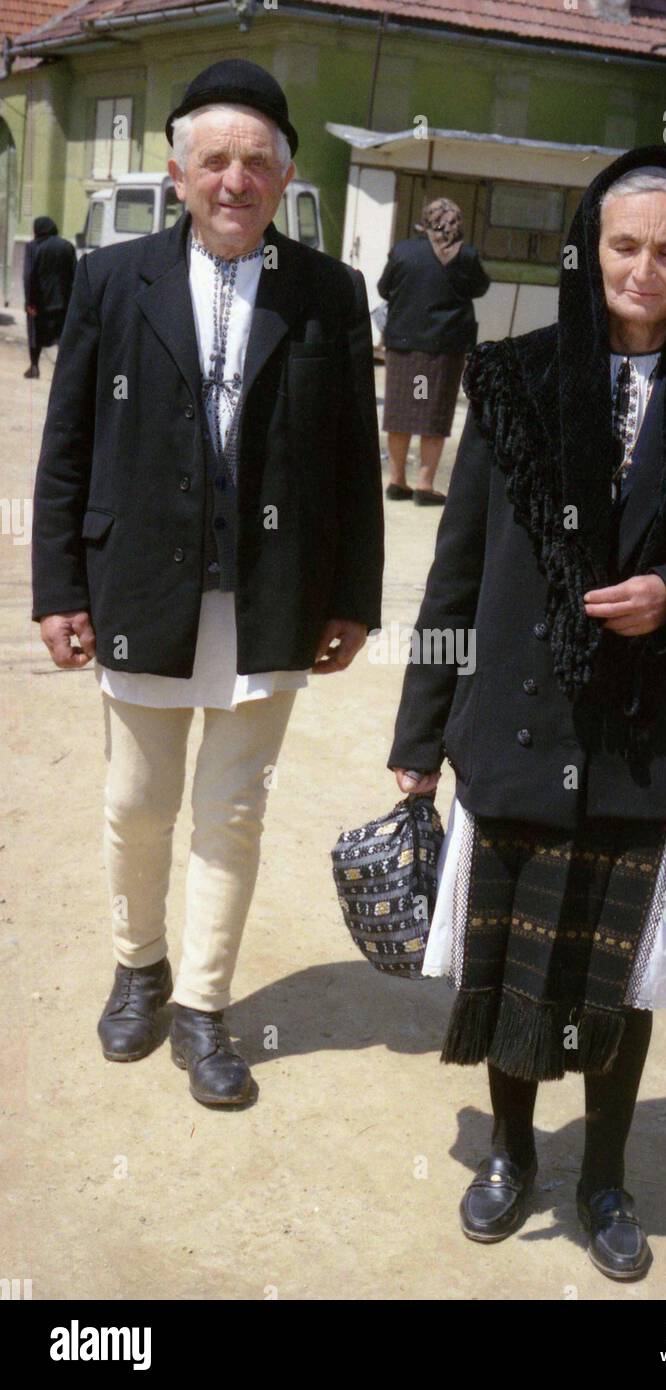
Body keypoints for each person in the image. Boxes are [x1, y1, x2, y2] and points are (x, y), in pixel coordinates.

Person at [387, 146, 666, 1281]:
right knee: (511, 960)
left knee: (618, 971)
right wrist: (415, 740)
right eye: (622, 245)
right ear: (589, 251)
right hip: (520, 724)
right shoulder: (514, 377)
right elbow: (456, 568)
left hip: (652, 728)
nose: (641, 268)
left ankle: (603, 1175)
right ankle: (511, 1154)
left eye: (665, 250)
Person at [31, 59, 384, 1109]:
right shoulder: (112, 279)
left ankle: (203, 1008)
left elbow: (354, 461)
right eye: (214, 161)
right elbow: (67, 445)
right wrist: (59, 586)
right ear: (178, 175)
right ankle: (138, 968)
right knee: (138, 804)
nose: (235, 181)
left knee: (230, 815)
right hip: (139, 581)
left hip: (269, 594)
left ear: (283, 179)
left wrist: (353, 597)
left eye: (257, 163)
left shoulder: (328, 293)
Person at [377, 198, 489, 505]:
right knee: (431, 414)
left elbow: (384, 288)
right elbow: (480, 288)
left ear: (424, 222)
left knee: (401, 414)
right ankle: (425, 485)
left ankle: (397, 481)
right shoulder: (465, 256)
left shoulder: (403, 252)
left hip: (403, 348)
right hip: (442, 351)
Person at [23, 216, 76, 378]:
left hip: (39, 302)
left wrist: (30, 301)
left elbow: (29, 276)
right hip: (63, 301)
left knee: (35, 334)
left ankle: (34, 366)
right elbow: (76, 273)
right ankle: (64, 372)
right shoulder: (67, 246)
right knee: (62, 337)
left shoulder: (33, 247)